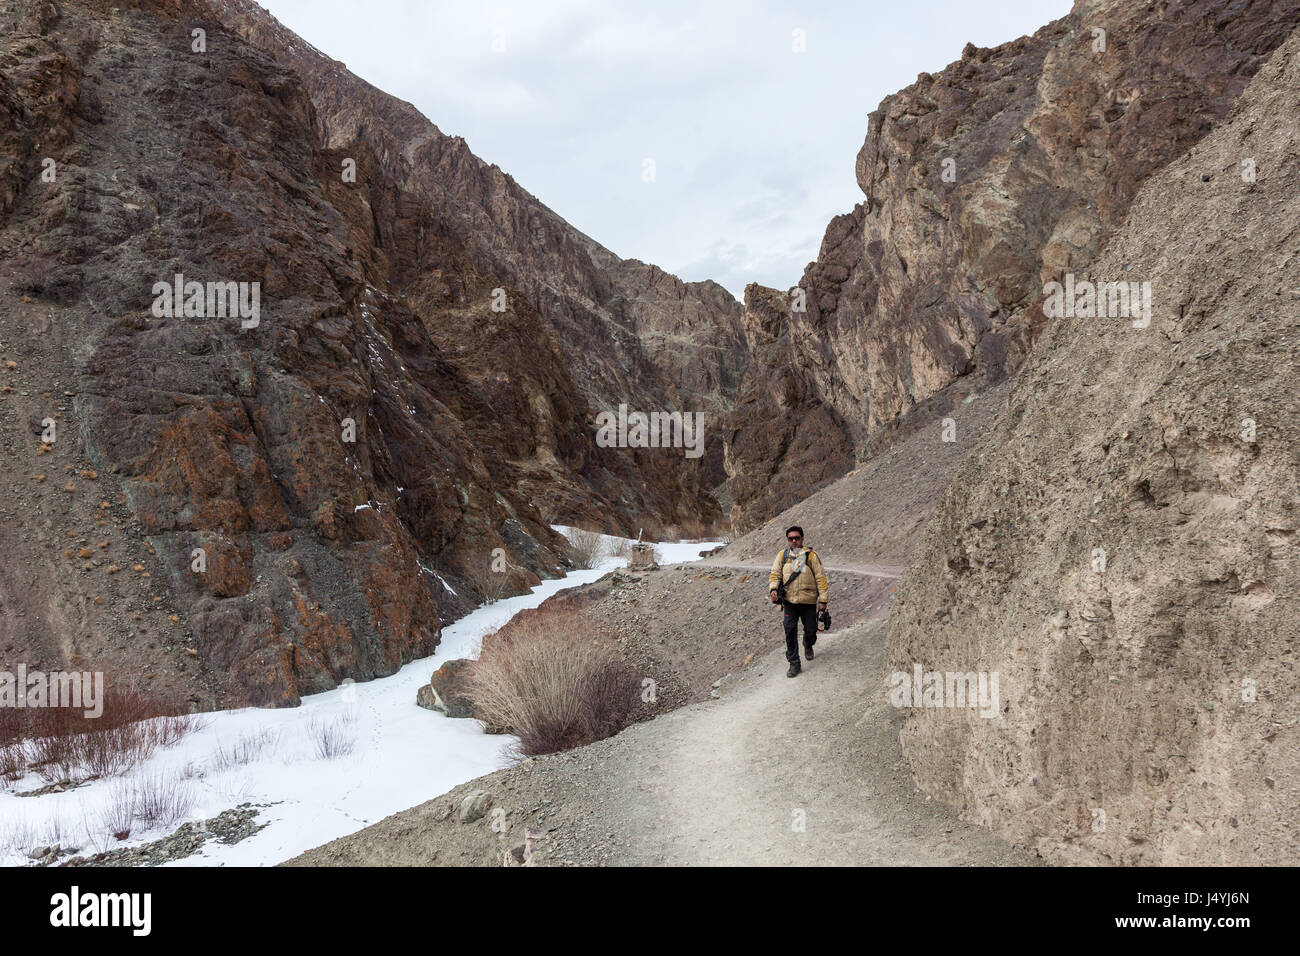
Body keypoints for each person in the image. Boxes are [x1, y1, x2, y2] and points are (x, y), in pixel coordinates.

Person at [768, 526, 829, 677]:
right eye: (791, 538)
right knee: (789, 630)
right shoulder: (782, 555)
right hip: (789, 601)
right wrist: (773, 589)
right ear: (787, 540)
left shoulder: (811, 556)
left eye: (797, 538)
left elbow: (821, 578)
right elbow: (775, 574)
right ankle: (794, 663)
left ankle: (808, 643)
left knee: (811, 629)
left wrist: (823, 600)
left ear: (802, 539)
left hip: (808, 601)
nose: (794, 541)